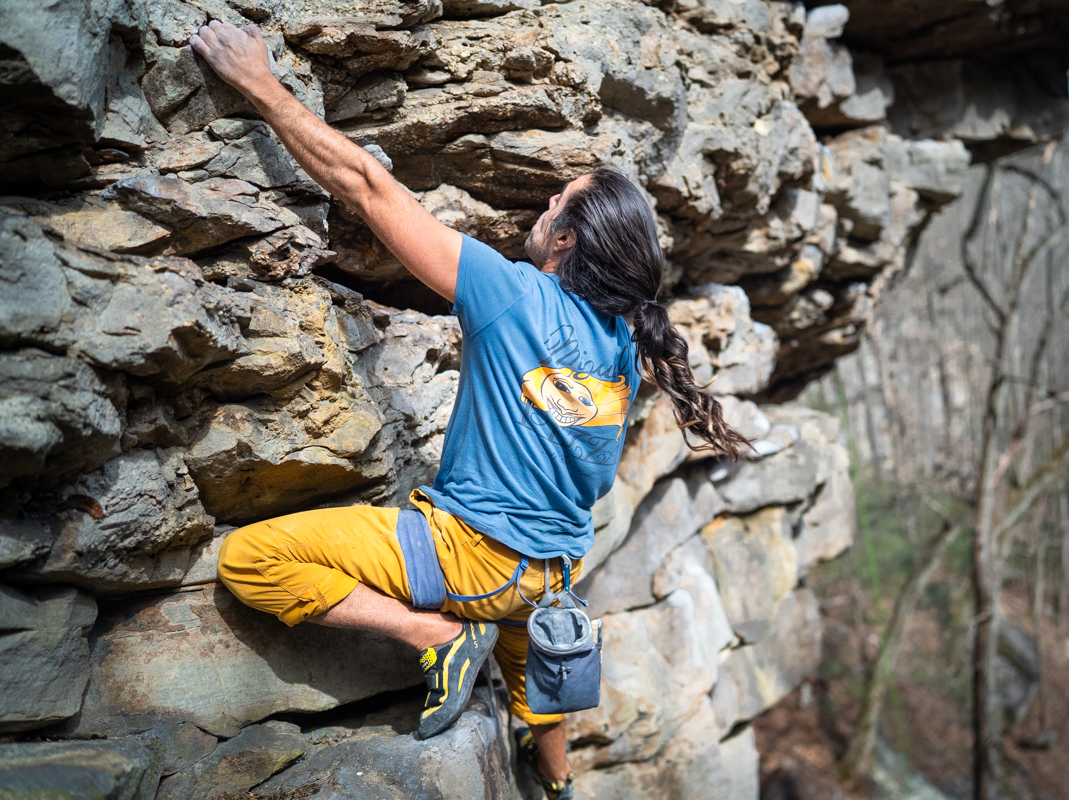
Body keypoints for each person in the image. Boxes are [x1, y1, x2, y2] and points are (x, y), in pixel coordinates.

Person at [190, 19, 750, 799]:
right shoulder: (624, 343)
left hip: (470, 558)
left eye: (560, 200)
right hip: (551, 575)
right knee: (539, 694)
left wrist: (260, 85)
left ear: (568, 240)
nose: (546, 201)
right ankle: (558, 785)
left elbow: (366, 186)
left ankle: (437, 636)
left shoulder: (509, 292)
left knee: (251, 560)